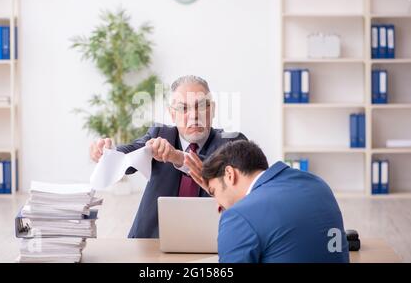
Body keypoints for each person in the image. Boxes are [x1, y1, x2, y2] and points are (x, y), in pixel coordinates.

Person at [89, 75, 247, 238]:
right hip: (151, 240)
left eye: (200, 106)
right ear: (172, 114)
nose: (194, 116)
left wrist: (178, 157)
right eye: (184, 108)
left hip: (211, 240)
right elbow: (130, 155)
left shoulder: (231, 141)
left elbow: (225, 176)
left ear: (212, 109)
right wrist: (109, 153)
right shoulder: (160, 134)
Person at [186, 139, 349, 263]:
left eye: (213, 192)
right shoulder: (318, 185)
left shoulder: (239, 216)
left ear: (230, 174)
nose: (217, 205)